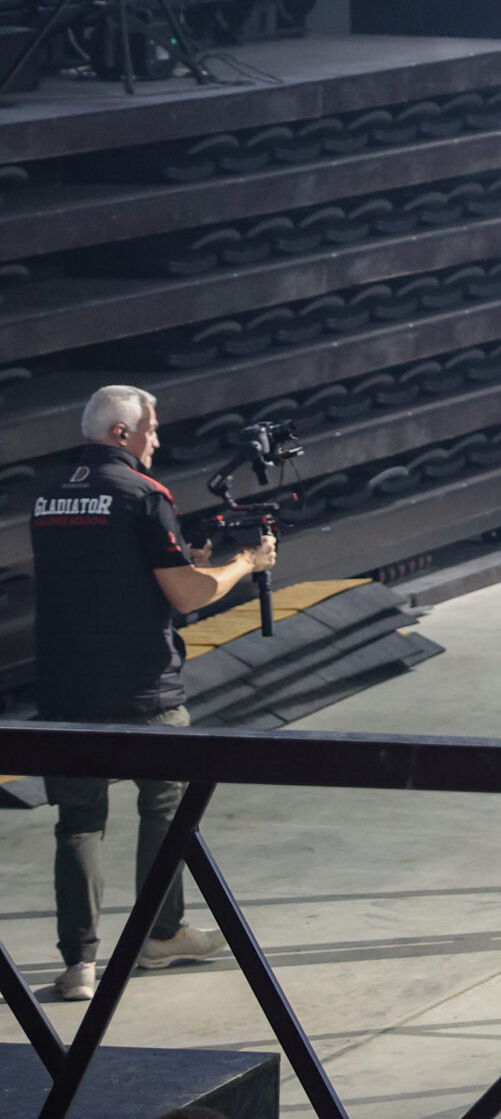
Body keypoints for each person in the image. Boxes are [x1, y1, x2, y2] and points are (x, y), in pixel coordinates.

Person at [32, 386, 274, 1003]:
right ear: (123, 433)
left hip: (65, 687)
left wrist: (177, 561)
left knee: (78, 823)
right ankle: (160, 935)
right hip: (143, 687)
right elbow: (188, 595)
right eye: (152, 429)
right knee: (165, 807)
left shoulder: (48, 497)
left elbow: (99, 575)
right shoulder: (144, 494)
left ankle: (78, 964)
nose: (157, 441)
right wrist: (245, 563)